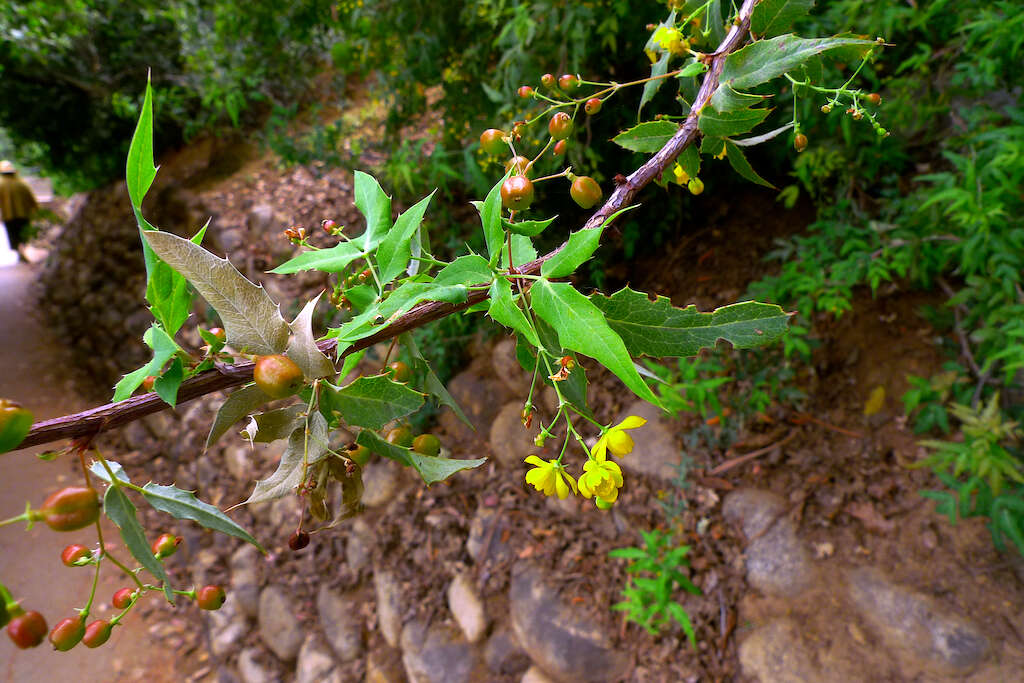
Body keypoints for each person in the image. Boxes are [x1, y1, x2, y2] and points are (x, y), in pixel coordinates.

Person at [0, 160, 39, 255]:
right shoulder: (22, 184)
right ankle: (24, 252)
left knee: (13, 237)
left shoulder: (1, 185)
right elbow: (32, 200)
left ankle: (18, 252)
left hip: (9, 216)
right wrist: (37, 212)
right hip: (24, 215)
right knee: (24, 237)